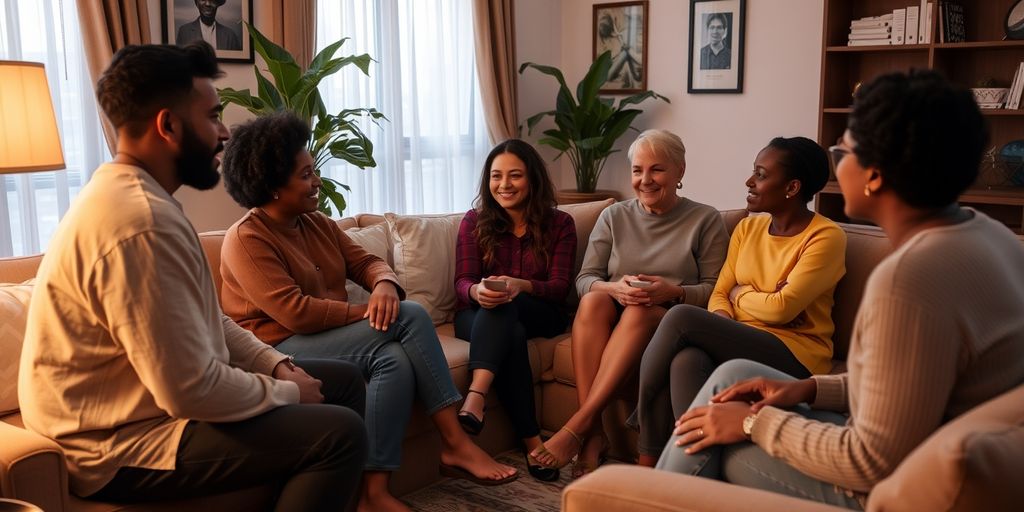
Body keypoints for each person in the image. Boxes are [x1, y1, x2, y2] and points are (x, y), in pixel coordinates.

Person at [17, 42, 367, 511]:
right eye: (213, 116)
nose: (225, 132)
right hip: (115, 444)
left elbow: (212, 319)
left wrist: (276, 366)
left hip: (146, 410)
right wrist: (286, 393)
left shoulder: (144, 197)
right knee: (340, 434)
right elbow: (188, 391)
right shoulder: (138, 222)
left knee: (343, 381)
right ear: (168, 126)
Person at [657, 70, 1024, 509]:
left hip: (906, 482)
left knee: (723, 444)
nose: (836, 165)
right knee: (732, 379)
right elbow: (912, 383)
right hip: (934, 442)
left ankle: (645, 499)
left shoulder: (909, 280)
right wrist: (810, 389)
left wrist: (754, 426)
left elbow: (870, 461)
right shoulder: (991, 235)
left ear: (873, 175)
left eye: (842, 152)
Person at [218, 111, 517, 512]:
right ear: (272, 185)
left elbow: (368, 262)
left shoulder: (316, 222)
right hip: (279, 351)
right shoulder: (246, 240)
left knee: (392, 358)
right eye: (306, 175)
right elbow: (296, 314)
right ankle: (456, 442)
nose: (317, 181)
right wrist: (368, 311)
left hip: (325, 340)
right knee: (409, 316)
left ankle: (374, 492)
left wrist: (385, 284)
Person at [633, 136, 846, 467]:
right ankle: (688, 472)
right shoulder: (749, 228)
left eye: (760, 174)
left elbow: (782, 308)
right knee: (686, 359)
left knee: (682, 318)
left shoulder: (825, 236)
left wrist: (740, 294)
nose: (749, 181)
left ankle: (642, 426)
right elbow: (720, 291)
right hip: (741, 338)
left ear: (791, 187)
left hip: (797, 354)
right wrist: (726, 313)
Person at [531, 129, 730, 477]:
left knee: (638, 309)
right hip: (615, 309)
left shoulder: (705, 219)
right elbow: (583, 281)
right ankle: (592, 433)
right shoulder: (614, 216)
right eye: (638, 170)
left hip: (670, 320)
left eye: (657, 169)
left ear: (680, 171)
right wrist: (613, 289)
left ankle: (578, 427)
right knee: (593, 303)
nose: (645, 180)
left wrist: (673, 291)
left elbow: (716, 289)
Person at [453, 139, 577, 482]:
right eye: (496, 176)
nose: (504, 185)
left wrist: (521, 285)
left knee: (509, 304)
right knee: (511, 330)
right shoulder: (474, 221)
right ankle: (532, 441)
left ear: (532, 179)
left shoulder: (561, 224)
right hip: (479, 314)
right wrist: (477, 290)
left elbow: (560, 288)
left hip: (541, 311)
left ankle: (475, 396)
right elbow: (462, 281)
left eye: (515, 176)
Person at [176, 0, 242, 51]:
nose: (208, 4)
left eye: (212, 0)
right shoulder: (184, 32)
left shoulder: (230, 36)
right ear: (197, 3)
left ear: (217, 4)